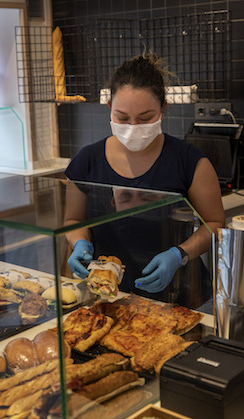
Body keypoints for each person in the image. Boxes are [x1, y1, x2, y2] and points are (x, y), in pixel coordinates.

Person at [63, 52, 226, 298]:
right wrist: (79, 244)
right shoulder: (86, 161)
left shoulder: (190, 161)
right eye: (122, 117)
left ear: (163, 109)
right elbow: (73, 221)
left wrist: (179, 255)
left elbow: (214, 224)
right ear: (109, 108)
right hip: (109, 294)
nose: (133, 127)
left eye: (145, 118)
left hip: (179, 294)